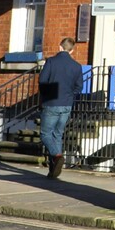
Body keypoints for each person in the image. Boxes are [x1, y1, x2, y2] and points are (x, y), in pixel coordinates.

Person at [37, 37, 84, 181]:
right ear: (72, 50)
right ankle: (53, 171)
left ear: (60, 47)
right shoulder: (76, 66)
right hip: (67, 104)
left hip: (52, 103)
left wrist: (50, 94)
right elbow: (79, 87)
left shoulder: (51, 61)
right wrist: (68, 95)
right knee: (57, 134)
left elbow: (42, 81)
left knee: (45, 134)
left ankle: (57, 156)